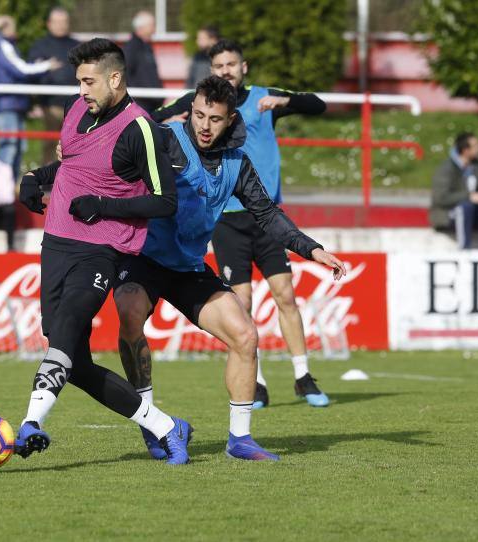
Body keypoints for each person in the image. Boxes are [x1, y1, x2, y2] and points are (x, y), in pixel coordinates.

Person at [114, 76, 346, 461]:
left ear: (230, 119)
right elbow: (111, 158)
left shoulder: (237, 162)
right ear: (191, 109)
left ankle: (239, 439)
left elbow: (267, 213)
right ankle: (152, 422)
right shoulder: (166, 139)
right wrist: (58, 167)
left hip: (188, 266)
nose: (205, 126)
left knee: (246, 335)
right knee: (129, 313)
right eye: (200, 115)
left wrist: (311, 249)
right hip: (143, 258)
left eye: (215, 119)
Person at [14, 39, 192, 465]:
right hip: (56, 243)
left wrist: (103, 207)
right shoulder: (78, 110)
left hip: (101, 251)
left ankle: (31, 423)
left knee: (70, 322)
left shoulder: (141, 128)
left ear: (115, 78)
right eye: (79, 81)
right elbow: (75, 163)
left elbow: (165, 201)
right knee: (72, 360)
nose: (81, 90)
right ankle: (166, 426)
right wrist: (34, 176)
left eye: (88, 81)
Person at [151, 39, 329, 409]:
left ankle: (303, 376)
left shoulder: (264, 98)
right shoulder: (198, 102)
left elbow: (319, 104)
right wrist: (165, 126)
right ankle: (258, 382)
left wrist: (286, 102)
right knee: (242, 301)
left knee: (285, 294)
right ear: (211, 71)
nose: (226, 70)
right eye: (219, 65)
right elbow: (149, 120)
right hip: (225, 218)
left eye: (232, 64)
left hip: (265, 213)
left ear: (243, 67)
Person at [0, 15, 61, 180]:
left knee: (18, 147)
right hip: (7, 104)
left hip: (13, 104)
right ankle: (3, 189)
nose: (15, 30)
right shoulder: (2, 46)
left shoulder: (6, 46)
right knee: (9, 147)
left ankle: (10, 187)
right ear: (5, 28)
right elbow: (21, 70)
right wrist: (47, 65)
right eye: (13, 26)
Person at [430, 132, 478, 249]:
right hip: (448, 214)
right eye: (476, 146)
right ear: (465, 150)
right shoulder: (446, 169)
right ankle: (464, 248)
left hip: (474, 210)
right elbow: (441, 198)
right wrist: (469, 196)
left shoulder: (477, 165)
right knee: (465, 208)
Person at [27, 6, 80, 164]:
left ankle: (74, 180)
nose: (61, 25)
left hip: (76, 106)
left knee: (75, 144)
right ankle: (47, 179)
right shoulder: (39, 46)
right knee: (50, 143)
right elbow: (32, 73)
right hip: (50, 105)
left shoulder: (78, 46)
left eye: (64, 21)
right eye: (57, 22)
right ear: (49, 23)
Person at [122, 10, 163, 113]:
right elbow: (124, 74)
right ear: (141, 27)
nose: (154, 30)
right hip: (140, 106)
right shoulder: (132, 47)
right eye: (152, 26)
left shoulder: (146, 47)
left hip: (151, 105)